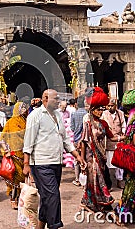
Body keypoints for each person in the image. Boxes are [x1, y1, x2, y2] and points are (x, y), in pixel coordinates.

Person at [23, 89, 83, 229]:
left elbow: (65, 139)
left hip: (56, 162)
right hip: (41, 163)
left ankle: (40, 226)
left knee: (46, 196)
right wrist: (26, 163)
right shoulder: (35, 116)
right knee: (53, 196)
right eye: (55, 98)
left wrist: (77, 156)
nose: (58, 101)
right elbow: (28, 141)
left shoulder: (57, 115)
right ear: (45, 98)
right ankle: (54, 225)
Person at [80, 88, 125, 213]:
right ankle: (103, 201)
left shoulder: (103, 123)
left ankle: (90, 203)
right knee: (94, 180)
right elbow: (84, 142)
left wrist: (124, 137)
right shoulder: (87, 122)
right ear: (92, 109)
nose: (100, 111)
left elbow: (112, 137)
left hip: (101, 155)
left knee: (95, 180)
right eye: (98, 109)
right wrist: (82, 160)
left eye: (102, 109)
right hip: (90, 157)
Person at [0, 102, 29, 210]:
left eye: (26, 109)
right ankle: (13, 200)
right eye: (23, 109)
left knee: (23, 179)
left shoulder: (27, 122)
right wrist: (6, 150)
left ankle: (21, 198)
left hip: (25, 155)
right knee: (14, 179)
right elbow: (2, 138)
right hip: (13, 155)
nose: (25, 111)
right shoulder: (10, 123)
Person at [101, 99, 126, 189]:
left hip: (118, 141)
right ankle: (108, 182)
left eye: (112, 105)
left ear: (116, 105)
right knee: (107, 163)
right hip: (108, 142)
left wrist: (123, 133)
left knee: (120, 163)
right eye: (108, 106)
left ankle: (119, 180)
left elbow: (123, 125)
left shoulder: (120, 114)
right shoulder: (104, 114)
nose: (110, 107)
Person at [70, 95, 87, 186]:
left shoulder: (74, 114)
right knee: (86, 159)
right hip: (85, 139)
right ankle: (86, 178)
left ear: (76, 104)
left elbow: (72, 128)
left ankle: (77, 179)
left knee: (77, 160)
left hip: (76, 139)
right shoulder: (87, 113)